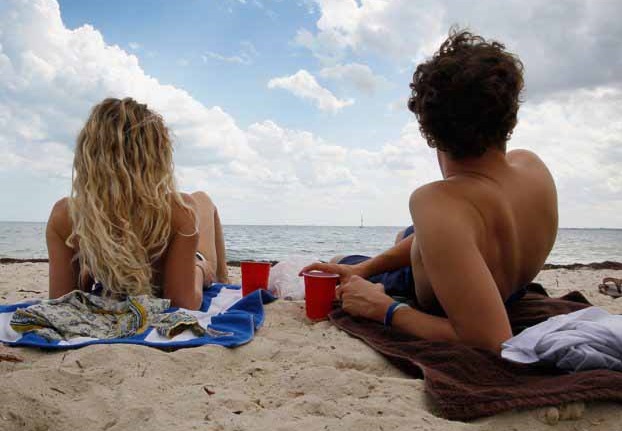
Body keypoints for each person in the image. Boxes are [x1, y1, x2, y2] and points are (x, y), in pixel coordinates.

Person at [301, 29, 558, 353]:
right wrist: (364, 269)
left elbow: (493, 340)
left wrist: (385, 309)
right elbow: (451, 234)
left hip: (443, 297)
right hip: (510, 284)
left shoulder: (437, 201)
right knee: (399, 242)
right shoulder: (532, 167)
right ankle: (371, 260)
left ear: (428, 129)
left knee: (338, 262)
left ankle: (365, 263)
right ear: (510, 116)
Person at [46, 97, 228, 310]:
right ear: (156, 157)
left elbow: (62, 302)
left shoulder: (65, 215)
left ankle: (100, 270)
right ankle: (223, 280)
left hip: (108, 258)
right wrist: (199, 268)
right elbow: (182, 303)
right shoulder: (177, 210)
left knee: (199, 200)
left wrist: (86, 276)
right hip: (186, 266)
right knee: (203, 200)